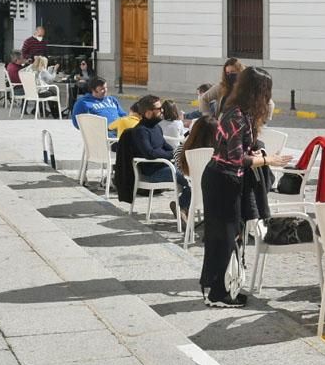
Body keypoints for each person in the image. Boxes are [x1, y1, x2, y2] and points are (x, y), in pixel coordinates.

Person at [200, 67, 292, 308]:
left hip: (231, 180)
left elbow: (242, 150)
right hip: (221, 180)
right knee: (223, 238)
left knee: (232, 236)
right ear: (257, 92)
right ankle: (217, 294)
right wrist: (267, 160)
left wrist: (258, 151)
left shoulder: (244, 114)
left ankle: (223, 287)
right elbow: (234, 158)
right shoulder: (236, 117)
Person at [121, 95, 190, 219]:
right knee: (188, 177)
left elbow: (166, 147)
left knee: (195, 174)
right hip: (151, 173)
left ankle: (182, 207)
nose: (162, 111)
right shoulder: (141, 131)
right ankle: (182, 207)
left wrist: (179, 152)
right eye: (159, 109)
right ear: (148, 113)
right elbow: (150, 153)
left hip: (165, 167)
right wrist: (171, 154)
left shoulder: (156, 128)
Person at [171, 115, 219, 223]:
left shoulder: (182, 149)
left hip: (195, 188)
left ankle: (182, 206)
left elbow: (182, 170)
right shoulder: (222, 151)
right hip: (220, 193)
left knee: (190, 180)